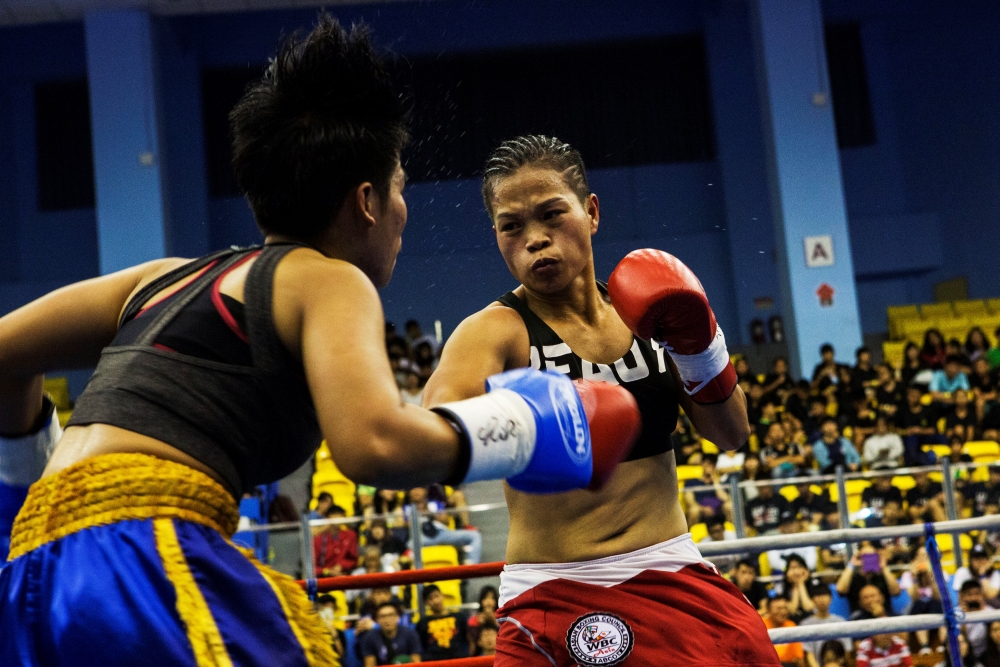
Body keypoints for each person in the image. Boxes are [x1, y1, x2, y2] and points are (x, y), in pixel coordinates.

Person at [0, 19, 645, 667]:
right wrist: (530, 425)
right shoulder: (329, 278)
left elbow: (6, 353)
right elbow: (374, 444)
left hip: (29, 569)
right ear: (365, 201)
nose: (403, 213)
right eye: (399, 189)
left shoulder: (161, 277)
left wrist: (44, 486)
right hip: (140, 558)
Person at [422, 135, 778, 666]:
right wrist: (533, 428)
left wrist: (699, 347)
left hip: (672, 570)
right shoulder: (494, 332)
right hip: (556, 591)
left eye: (551, 214)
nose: (535, 240)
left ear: (591, 212)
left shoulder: (654, 310)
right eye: (511, 226)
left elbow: (730, 433)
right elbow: (433, 426)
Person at [835, 541, 901, 614]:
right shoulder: (853, 579)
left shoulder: (882, 577)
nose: (869, 560)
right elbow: (840, 590)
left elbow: (896, 592)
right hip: (859, 618)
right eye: (866, 557)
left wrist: (884, 567)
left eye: (872, 556)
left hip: (884, 615)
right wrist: (852, 564)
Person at [798, 579, 851, 664]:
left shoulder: (841, 622)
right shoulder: (805, 624)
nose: (822, 599)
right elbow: (808, 654)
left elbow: (846, 652)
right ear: (812, 599)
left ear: (831, 598)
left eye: (825, 595)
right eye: (818, 596)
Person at [358, 600, 422, 666]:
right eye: (383, 616)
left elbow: (416, 663)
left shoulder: (410, 634)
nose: (387, 620)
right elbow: (370, 665)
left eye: (390, 615)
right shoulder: (369, 638)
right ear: (377, 620)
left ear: (397, 617)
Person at [414, 584, 469, 661]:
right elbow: (419, 647)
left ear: (442, 596)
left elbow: (469, 640)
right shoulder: (422, 623)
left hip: (458, 660)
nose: (435, 601)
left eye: (437, 596)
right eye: (430, 599)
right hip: (433, 662)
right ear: (426, 602)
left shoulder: (459, 617)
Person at [683, 453, 732, 526]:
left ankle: (734, 533)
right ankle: (689, 534)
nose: (709, 467)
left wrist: (715, 480)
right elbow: (690, 502)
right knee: (694, 510)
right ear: (702, 464)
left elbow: (725, 498)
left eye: (712, 464)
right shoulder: (691, 482)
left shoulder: (720, 482)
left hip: (718, 510)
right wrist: (703, 509)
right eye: (707, 464)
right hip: (701, 510)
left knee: (729, 506)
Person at [314, 504, 359, 577]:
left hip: (346, 575)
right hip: (325, 578)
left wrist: (341, 566)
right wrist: (327, 571)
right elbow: (313, 567)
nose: (338, 518)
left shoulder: (350, 535)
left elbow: (353, 560)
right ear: (328, 518)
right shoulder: (318, 540)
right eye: (335, 515)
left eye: (340, 515)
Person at [762, 597, 805, 667]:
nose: (783, 612)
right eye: (779, 609)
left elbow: (799, 659)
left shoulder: (792, 626)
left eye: (785, 608)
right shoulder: (760, 625)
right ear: (768, 610)